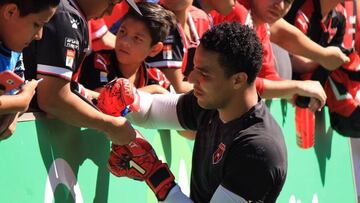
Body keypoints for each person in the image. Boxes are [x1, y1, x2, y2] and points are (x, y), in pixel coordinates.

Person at [100, 22, 287, 202]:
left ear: (238, 80)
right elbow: (152, 111)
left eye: (204, 73)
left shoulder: (258, 150)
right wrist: (126, 97)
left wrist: (155, 175)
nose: (192, 78)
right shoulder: (212, 101)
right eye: (195, 68)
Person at [22, 0, 142, 145]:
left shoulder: (72, 14)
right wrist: (109, 125)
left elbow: (61, 89)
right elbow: (52, 99)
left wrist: (98, 97)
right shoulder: (67, 17)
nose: (110, 12)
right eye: (111, 3)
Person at [79, 2, 175, 95]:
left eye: (137, 38)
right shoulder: (99, 61)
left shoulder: (157, 78)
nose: (125, 42)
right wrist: (153, 90)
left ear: (155, 49)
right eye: (122, 31)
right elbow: (102, 98)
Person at [0, 0, 59, 140]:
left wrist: (14, 111)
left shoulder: (14, 47)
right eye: (37, 25)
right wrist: (21, 101)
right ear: (10, 12)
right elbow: (19, 99)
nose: (39, 35)